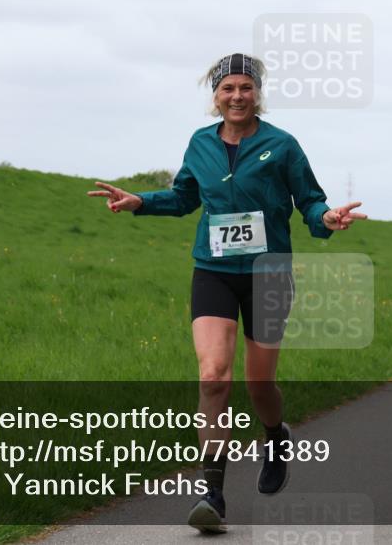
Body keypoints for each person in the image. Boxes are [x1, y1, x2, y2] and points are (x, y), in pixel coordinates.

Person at [88, 53, 365, 534]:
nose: (236, 96)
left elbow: (310, 198)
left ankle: (275, 436)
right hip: (213, 269)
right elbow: (184, 196)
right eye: (227, 89)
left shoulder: (282, 145)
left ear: (258, 93)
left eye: (245, 87)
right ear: (214, 96)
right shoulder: (200, 143)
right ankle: (212, 496)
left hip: (269, 273)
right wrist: (140, 203)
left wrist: (325, 219)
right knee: (214, 376)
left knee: (259, 386)